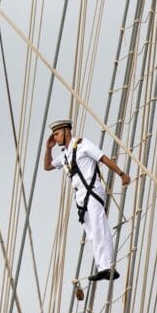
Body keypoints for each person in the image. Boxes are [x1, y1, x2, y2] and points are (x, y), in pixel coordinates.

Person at [43, 118, 131, 281]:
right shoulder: (64, 155)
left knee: (99, 227)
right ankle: (103, 266)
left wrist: (121, 174)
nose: (55, 138)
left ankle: (107, 266)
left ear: (66, 131)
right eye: (54, 135)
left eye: (57, 134)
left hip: (92, 191)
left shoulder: (83, 145)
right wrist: (48, 148)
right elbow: (47, 166)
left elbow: (103, 158)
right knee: (92, 233)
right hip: (80, 197)